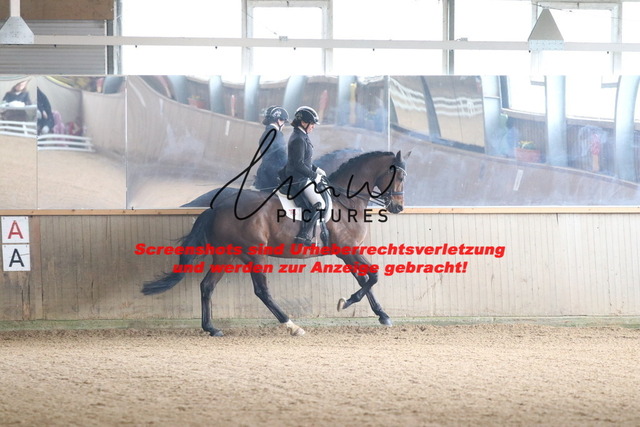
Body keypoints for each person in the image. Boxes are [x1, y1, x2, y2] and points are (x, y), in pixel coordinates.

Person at [283, 106, 326, 246]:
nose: (313, 126)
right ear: (303, 122)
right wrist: (314, 175)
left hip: (301, 176)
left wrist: (316, 169)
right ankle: (303, 235)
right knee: (319, 205)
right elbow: (298, 164)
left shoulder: (302, 135)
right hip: (297, 179)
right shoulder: (298, 138)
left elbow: (305, 160)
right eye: (312, 123)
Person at [254, 105, 289, 191]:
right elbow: (282, 156)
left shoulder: (266, 132)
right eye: (283, 121)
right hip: (273, 176)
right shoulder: (277, 134)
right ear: (278, 120)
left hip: (264, 173)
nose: (284, 125)